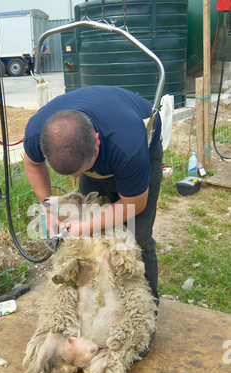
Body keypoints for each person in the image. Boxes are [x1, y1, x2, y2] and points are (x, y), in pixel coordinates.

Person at [23, 85, 163, 305]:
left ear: (96, 140)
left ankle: (143, 311)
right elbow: (32, 163)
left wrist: (86, 225)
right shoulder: (37, 132)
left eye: (83, 170)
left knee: (136, 238)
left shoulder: (128, 145)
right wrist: (48, 210)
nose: (78, 178)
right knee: (90, 241)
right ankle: (100, 304)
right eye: (77, 173)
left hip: (136, 140)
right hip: (99, 148)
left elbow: (135, 203)